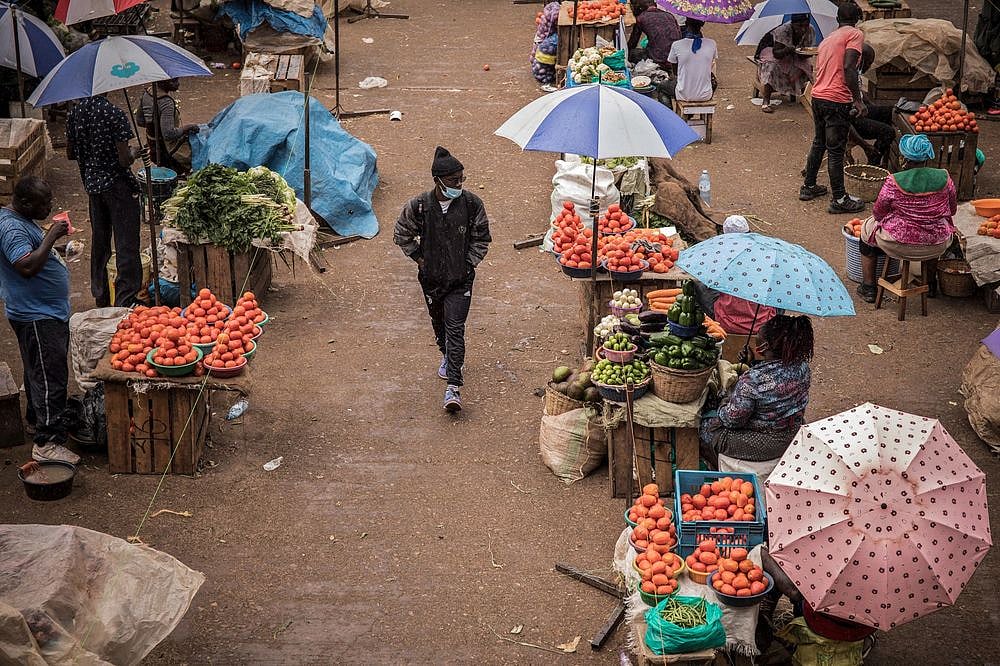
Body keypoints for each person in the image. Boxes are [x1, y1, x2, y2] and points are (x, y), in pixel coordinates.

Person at [394, 147, 492, 413]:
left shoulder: (472, 204)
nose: (458, 185)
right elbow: (401, 233)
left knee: (455, 328)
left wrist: (468, 263)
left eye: (461, 179)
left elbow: (482, 239)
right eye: (453, 181)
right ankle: (448, 355)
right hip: (431, 280)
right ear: (437, 180)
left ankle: (454, 387)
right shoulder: (419, 206)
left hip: (461, 281)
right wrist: (420, 259)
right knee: (439, 323)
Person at [0, 177, 79, 465]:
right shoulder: (11, 228)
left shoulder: (20, 219)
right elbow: (26, 266)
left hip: (43, 311)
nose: (49, 207)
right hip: (37, 315)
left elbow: (33, 253)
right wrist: (52, 236)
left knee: (38, 370)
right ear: (24, 202)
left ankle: (36, 418)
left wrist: (59, 251)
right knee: (50, 377)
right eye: (43, 203)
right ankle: (47, 443)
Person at [699, 315, 813, 483]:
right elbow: (775, 377)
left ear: (765, 346)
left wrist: (722, 402)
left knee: (705, 428)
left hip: (764, 444)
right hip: (791, 433)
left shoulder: (753, 379)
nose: (755, 338)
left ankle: (722, 475)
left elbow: (732, 420)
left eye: (758, 336)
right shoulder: (802, 367)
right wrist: (753, 363)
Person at [66, 94, 147, 308]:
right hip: (118, 187)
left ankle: (100, 294)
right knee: (126, 243)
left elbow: (70, 153)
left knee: (100, 241)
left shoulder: (75, 113)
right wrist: (135, 151)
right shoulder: (114, 113)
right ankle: (125, 299)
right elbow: (124, 159)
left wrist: (91, 154)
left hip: (93, 186)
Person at [855, 134, 957, 302]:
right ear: (927, 157)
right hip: (935, 245)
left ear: (905, 158)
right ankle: (930, 285)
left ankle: (868, 288)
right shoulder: (944, 177)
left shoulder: (893, 181)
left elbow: (878, 213)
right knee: (938, 227)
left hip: (898, 244)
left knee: (866, 229)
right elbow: (952, 210)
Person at [800, 2, 866, 214]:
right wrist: (857, 99)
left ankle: (809, 186)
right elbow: (848, 67)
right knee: (836, 150)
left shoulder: (828, 38)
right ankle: (839, 199)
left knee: (819, 142)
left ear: (838, 19)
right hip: (836, 99)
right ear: (857, 19)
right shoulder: (855, 34)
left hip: (818, 96)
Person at [711, 216, 778, 334]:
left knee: (701, 288)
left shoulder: (721, 256)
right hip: (761, 324)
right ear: (749, 232)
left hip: (727, 323)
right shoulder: (766, 256)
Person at [136, 78, 198, 175]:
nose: (178, 84)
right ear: (163, 83)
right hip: (167, 152)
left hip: (152, 145)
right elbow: (168, 134)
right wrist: (188, 127)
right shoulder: (166, 102)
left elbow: (140, 121)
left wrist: (154, 125)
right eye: (173, 81)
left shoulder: (148, 93)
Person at [756, 14, 815, 113]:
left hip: (794, 54)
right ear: (793, 24)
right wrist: (787, 50)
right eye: (799, 26)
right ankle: (766, 100)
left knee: (806, 67)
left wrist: (806, 53)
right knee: (772, 67)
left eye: (806, 25)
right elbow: (776, 53)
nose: (803, 29)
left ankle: (804, 96)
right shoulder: (783, 31)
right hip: (773, 52)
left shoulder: (810, 30)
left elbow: (806, 51)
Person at [848, 44, 895, 168]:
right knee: (888, 132)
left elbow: (860, 93)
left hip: (857, 111)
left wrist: (872, 107)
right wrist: (866, 146)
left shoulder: (854, 70)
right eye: (868, 63)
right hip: (852, 119)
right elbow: (844, 120)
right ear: (861, 59)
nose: (869, 67)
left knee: (891, 111)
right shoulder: (847, 74)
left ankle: (885, 156)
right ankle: (873, 161)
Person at [664, 19, 718, 102]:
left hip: (682, 94)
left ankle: (667, 110)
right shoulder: (712, 44)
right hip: (705, 95)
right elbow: (710, 64)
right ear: (703, 24)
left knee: (662, 86)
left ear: (686, 24)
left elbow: (675, 72)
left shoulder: (677, 45)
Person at [627, 0, 682, 70]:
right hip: (676, 58)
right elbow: (679, 36)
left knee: (632, 53)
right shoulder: (669, 15)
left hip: (659, 59)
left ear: (640, 8)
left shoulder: (641, 18)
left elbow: (633, 43)